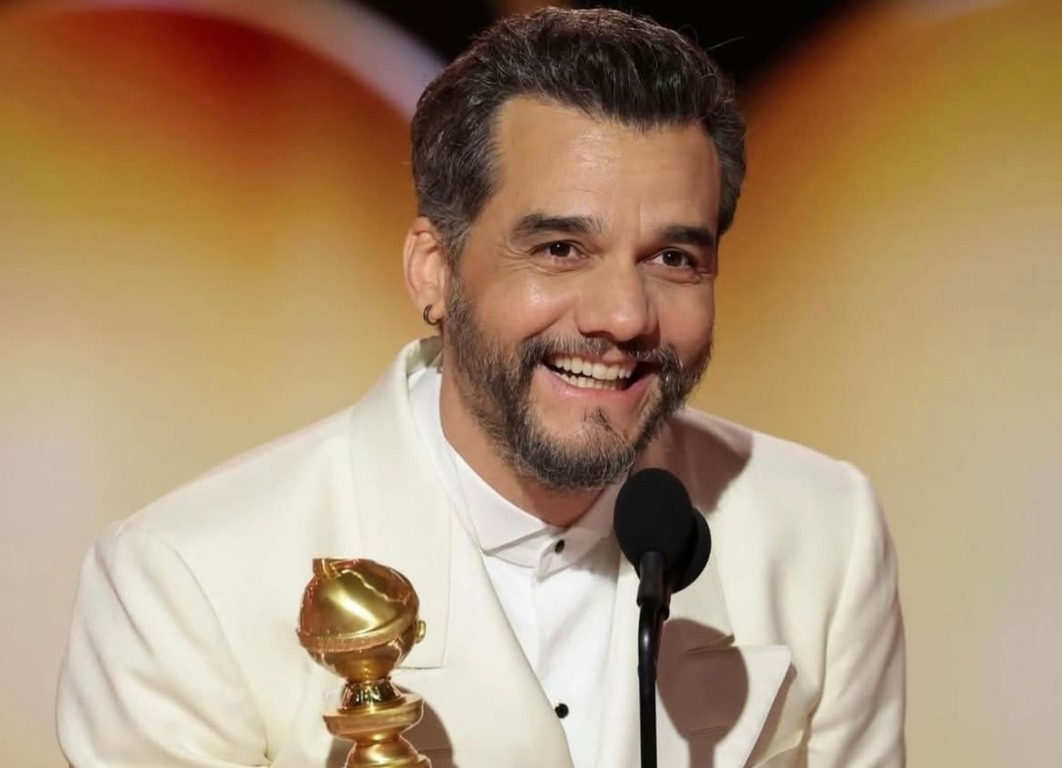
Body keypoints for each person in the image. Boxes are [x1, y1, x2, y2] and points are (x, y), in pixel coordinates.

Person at [56, 7, 905, 768]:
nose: (622, 316)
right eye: (560, 250)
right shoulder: (186, 581)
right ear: (434, 270)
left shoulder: (824, 533)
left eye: (673, 258)